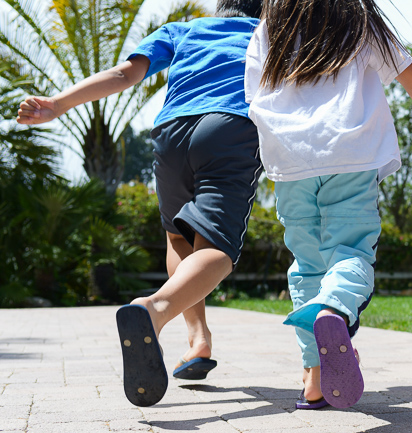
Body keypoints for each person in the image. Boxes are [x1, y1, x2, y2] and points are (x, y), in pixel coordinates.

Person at [17, 0, 265, 407]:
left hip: (171, 131)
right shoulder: (271, 33)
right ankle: (154, 310)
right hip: (230, 125)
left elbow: (123, 73)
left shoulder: (183, 29)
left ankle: (198, 340)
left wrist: (58, 103)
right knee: (218, 248)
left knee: (177, 238)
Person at [244, 0, 412, 410]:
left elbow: (254, 94)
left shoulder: (271, 25)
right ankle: (335, 309)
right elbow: (410, 76)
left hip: (291, 160)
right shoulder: (359, 22)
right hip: (351, 155)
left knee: (307, 264)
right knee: (352, 249)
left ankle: (314, 378)